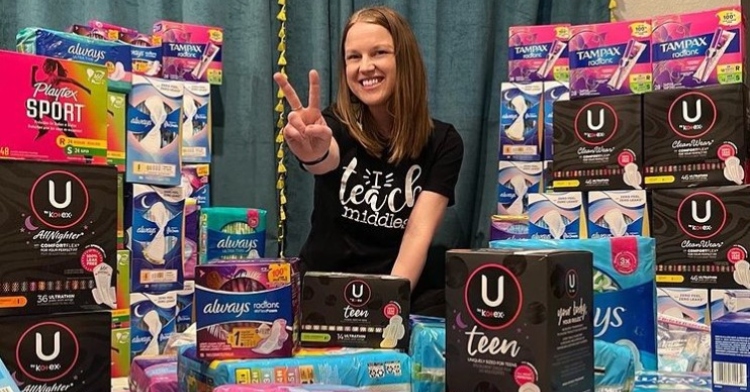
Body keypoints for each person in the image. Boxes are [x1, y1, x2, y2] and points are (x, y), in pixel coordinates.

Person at [273, 6, 464, 316]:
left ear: (404, 59)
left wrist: (384, 308)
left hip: (396, 287)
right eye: (354, 57)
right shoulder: (331, 125)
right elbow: (325, 158)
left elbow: (418, 234)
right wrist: (314, 153)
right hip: (325, 290)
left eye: (379, 52)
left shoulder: (443, 142)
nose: (365, 67)